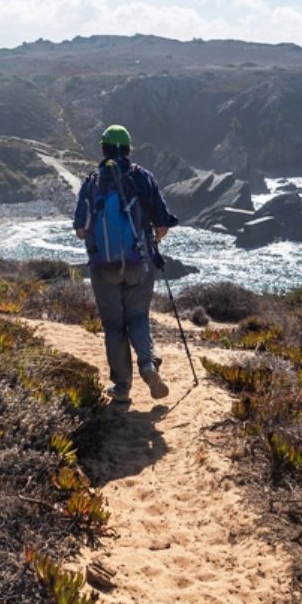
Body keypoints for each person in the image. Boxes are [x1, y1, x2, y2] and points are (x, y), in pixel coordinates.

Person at [73, 124, 179, 404]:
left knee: (114, 325)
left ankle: (122, 387)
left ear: (104, 149)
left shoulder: (92, 181)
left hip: (103, 267)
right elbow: (163, 223)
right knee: (138, 317)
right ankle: (148, 365)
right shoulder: (142, 177)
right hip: (138, 263)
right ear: (129, 149)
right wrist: (149, 240)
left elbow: (81, 230)